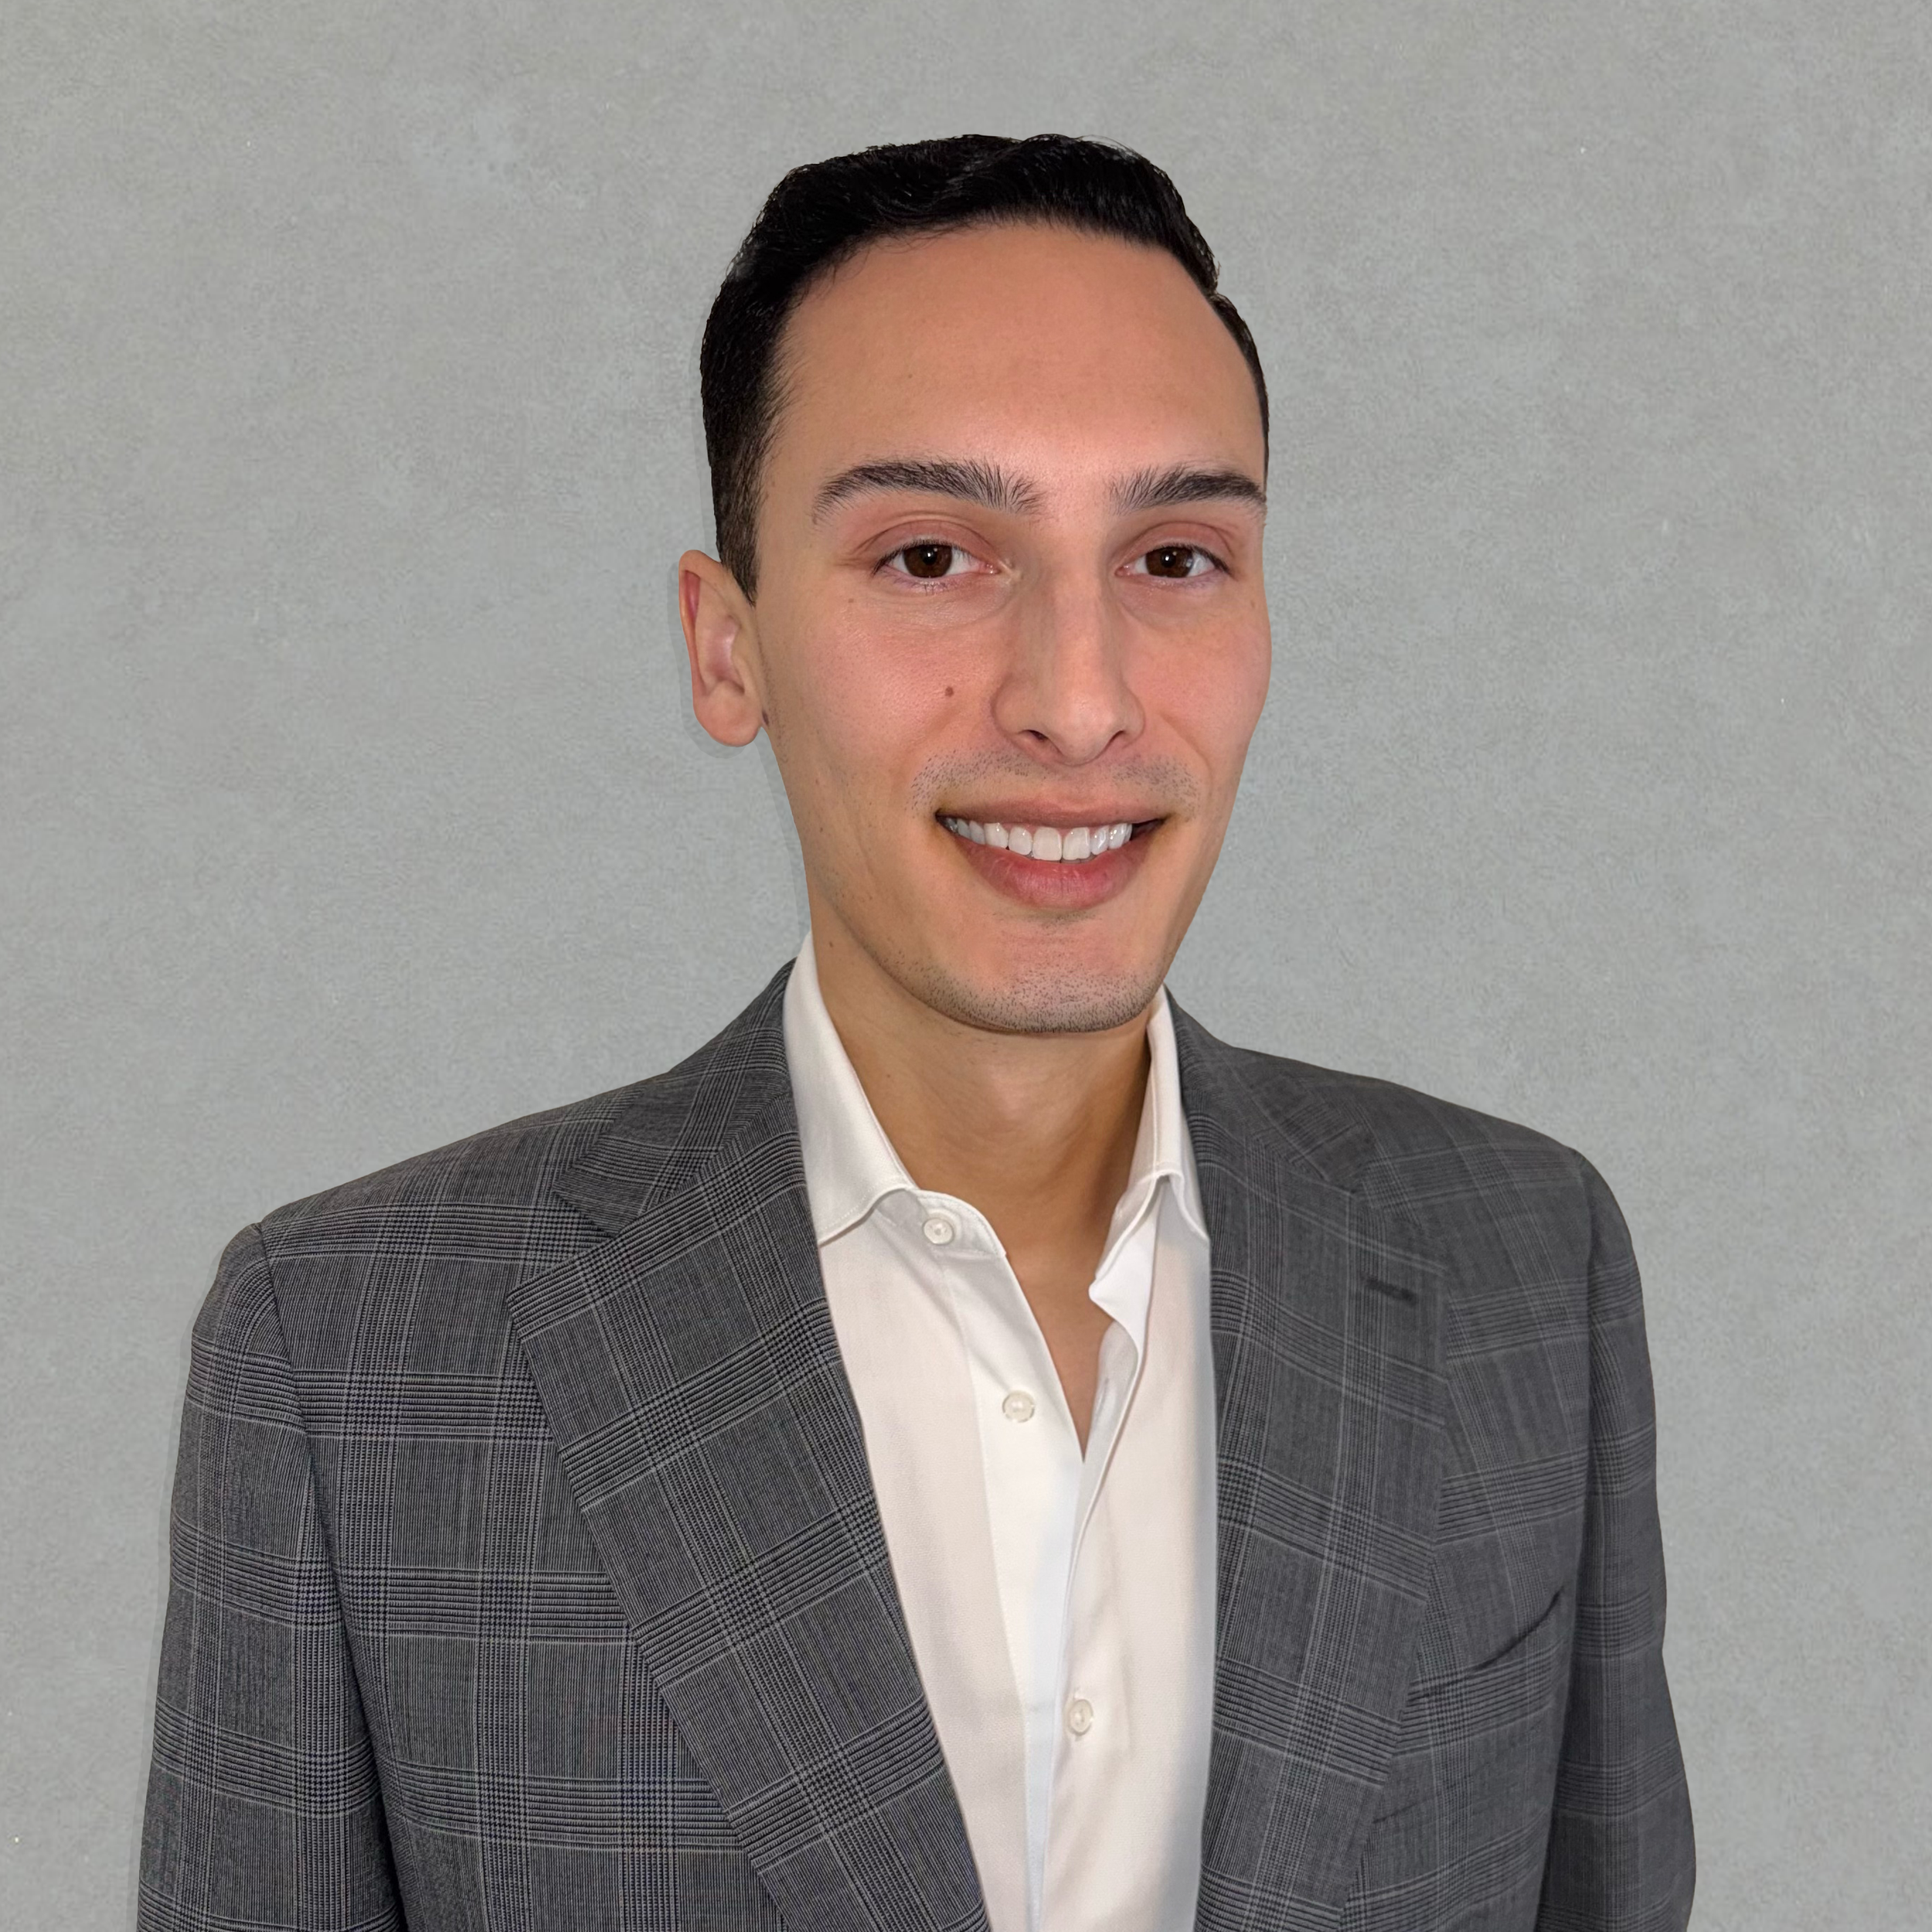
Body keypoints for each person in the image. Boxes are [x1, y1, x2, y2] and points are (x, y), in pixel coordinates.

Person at [138, 134, 1694, 1932]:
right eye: (934, 552)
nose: (1077, 695)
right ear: (728, 651)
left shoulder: (1520, 1261)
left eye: (1175, 555)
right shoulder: (351, 1356)